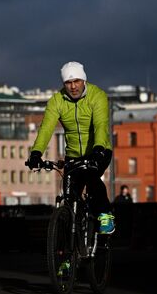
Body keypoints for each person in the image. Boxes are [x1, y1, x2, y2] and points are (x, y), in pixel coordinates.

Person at [26, 61, 115, 234]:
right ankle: (67, 254)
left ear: (84, 80)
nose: (73, 86)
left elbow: (101, 125)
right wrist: (36, 153)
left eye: (77, 81)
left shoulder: (97, 96)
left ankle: (105, 214)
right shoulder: (57, 100)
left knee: (91, 176)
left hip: (100, 149)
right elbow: (46, 128)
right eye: (68, 82)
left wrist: (98, 149)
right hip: (73, 154)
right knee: (69, 197)